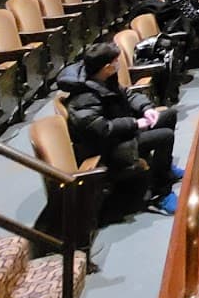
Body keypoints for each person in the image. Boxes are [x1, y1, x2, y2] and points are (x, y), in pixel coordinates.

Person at [58, 43, 179, 213]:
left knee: (168, 115)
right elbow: (101, 129)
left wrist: (147, 108)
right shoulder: (84, 96)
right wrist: (135, 123)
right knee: (165, 136)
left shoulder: (103, 79)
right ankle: (160, 193)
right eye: (116, 61)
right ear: (107, 67)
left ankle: (164, 167)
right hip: (108, 147)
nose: (118, 64)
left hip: (122, 132)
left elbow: (128, 94)